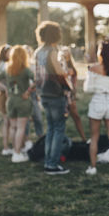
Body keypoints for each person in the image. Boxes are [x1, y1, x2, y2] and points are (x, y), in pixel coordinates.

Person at [35, 21, 70, 175]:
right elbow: (59, 72)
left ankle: (48, 160)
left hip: (43, 93)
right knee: (58, 129)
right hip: (55, 94)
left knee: (50, 128)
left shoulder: (38, 51)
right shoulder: (52, 51)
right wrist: (65, 68)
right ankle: (52, 164)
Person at [0, 45, 35, 163]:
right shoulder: (25, 70)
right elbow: (36, 80)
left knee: (13, 127)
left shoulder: (8, 70)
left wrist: (6, 88)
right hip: (22, 101)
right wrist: (28, 91)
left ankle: (14, 150)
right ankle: (17, 153)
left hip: (10, 101)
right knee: (21, 128)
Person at [84, 40, 109, 175]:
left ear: (101, 53)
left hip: (97, 102)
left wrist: (98, 87)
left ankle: (92, 167)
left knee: (94, 137)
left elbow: (87, 88)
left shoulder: (93, 68)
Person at [58, 46, 87, 142]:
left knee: (76, 117)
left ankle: (84, 138)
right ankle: (61, 140)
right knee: (63, 119)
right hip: (63, 94)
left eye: (66, 52)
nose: (64, 53)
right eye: (63, 52)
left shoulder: (71, 66)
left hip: (70, 95)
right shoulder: (60, 65)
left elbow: (73, 80)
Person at [0, 44, 12, 155]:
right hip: (5, 95)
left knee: (9, 122)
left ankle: (8, 145)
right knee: (7, 122)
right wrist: (6, 88)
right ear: (4, 53)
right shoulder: (3, 65)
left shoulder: (4, 64)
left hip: (6, 94)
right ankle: (5, 147)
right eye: (9, 52)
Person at [22, 44, 44, 141]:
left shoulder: (34, 66)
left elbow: (38, 80)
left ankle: (40, 137)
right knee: (25, 119)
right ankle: (26, 140)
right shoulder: (20, 67)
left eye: (29, 51)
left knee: (38, 117)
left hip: (33, 94)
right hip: (24, 95)